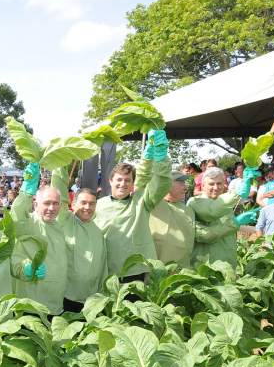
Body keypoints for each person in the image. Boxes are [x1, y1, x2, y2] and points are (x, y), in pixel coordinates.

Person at [93, 130, 173, 282]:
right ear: (110, 181)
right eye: (119, 180)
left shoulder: (141, 202)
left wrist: (160, 156)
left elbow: (161, 184)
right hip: (106, 271)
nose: (123, 184)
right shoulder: (99, 205)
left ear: (132, 184)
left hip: (135, 272)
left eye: (127, 181)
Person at [9, 163, 68, 315]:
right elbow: (16, 214)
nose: (51, 208)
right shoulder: (29, 223)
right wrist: (27, 189)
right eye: (47, 203)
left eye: (55, 204)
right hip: (32, 304)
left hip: (55, 303)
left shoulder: (58, 226)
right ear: (35, 204)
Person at [50, 170, 107, 313]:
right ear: (73, 204)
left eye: (92, 204)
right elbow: (59, 191)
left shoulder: (98, 231)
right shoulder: (64, 220)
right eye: (83, 203)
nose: (88, 207)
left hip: (91, 300)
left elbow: (102, 265)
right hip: (65, 297)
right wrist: (60, 160)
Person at [188, 166, 257, 269]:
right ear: (202, 186)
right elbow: (208, 224)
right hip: (206, 266)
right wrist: (235, 222)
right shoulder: (194, 202)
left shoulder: (225, 203)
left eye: (219, 183)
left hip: (228, 262)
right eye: (211, 184)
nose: (216, 187)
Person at [149, 171, 196, 268]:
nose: (185, 188)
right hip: (159, 269)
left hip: (183, 267)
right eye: (180, 183)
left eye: (184, 183)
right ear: (167, 184)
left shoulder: (188, 209)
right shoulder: (155, 206)